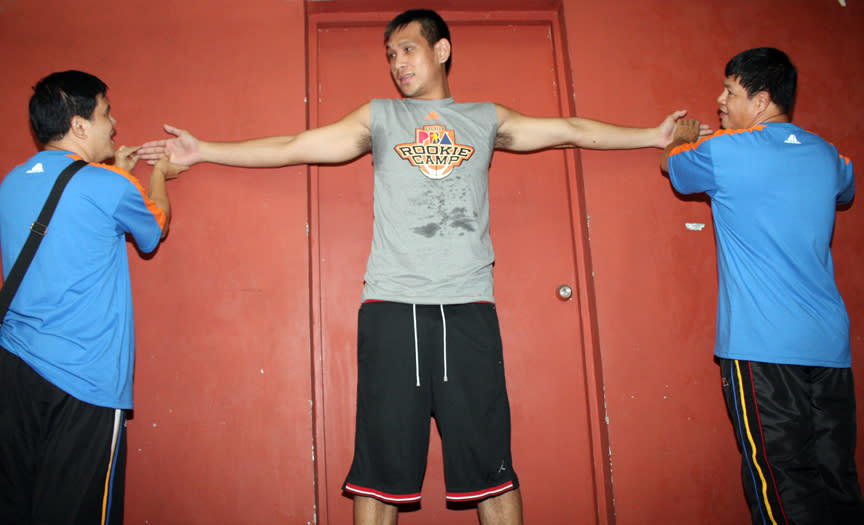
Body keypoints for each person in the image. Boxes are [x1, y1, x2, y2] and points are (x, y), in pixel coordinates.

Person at [138, 9, 702, 524]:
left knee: (492, 470)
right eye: (390, 55)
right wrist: (205, 149)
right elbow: (295, 145)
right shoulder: (380, 118)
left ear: (442, 50)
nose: (397, 63)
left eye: (407, 49)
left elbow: (571, 131)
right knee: (378, 478)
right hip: (391, 307)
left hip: (469, 308)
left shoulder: (485, 119)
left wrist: (653, 136)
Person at [661, 47, 864, 524]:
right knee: (837, 479)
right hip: (830, 348)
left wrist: (679, 141)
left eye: (730, 91)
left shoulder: (724, 152)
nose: (720, 100)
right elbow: (847, 185)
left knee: (781, 483)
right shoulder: (829, 155)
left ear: (762, 100)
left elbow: (675, 168)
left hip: (764, 350)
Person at [0, 70, 185, 524]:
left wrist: (113, 173)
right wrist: (159, 173)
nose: (114, 123)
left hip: (13, 375)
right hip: (84, 381)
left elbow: (74, 220)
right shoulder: (109, 186)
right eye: (105, 112)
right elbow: (152, 228)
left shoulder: (11, 183)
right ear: (80, 125)